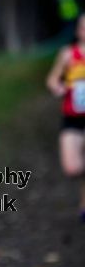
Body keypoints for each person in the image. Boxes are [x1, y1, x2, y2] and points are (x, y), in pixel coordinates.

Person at [46, 13, 85, 221]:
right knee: (72, 168)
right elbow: (52, 80)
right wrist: (58, 87)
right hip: (72, 117)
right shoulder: (68, 54)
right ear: (78, 30)